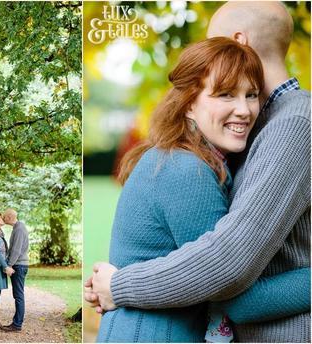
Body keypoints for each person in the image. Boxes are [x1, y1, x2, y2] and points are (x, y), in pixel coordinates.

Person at [86, 2, 310, 342]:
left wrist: (120, 284)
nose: (243, 109)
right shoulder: (186, 165)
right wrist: (119, 285)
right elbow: (229, 277)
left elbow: (227, 267)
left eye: (249, 95)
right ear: (189, 102)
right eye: (224, 93)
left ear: (240, 43)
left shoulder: (291, 123)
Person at [2, 208, 29, 332]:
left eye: (4, 217)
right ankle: (16, 323)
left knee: (18, 295)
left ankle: (17, 324)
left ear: (9, 217)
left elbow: (16, 250)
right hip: (19, 265)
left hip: (19, 266)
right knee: (18, 295)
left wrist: (9, 266)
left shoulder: (19, 229)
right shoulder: (17, 227)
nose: (2, 219)